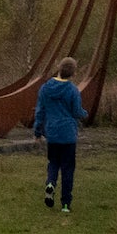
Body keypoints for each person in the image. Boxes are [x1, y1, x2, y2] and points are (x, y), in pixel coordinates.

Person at [33, 57, 88, 213]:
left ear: (59, 68)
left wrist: (37, 132)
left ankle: (50, 183)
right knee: (68, 168)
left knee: (53, 163)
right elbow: (77, 111)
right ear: (73, 73)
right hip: (68, 134)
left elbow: (40, 112)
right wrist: (85, 113)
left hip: (52, 133)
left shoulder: (45, 89)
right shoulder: (72, 90)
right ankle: (65, 204)